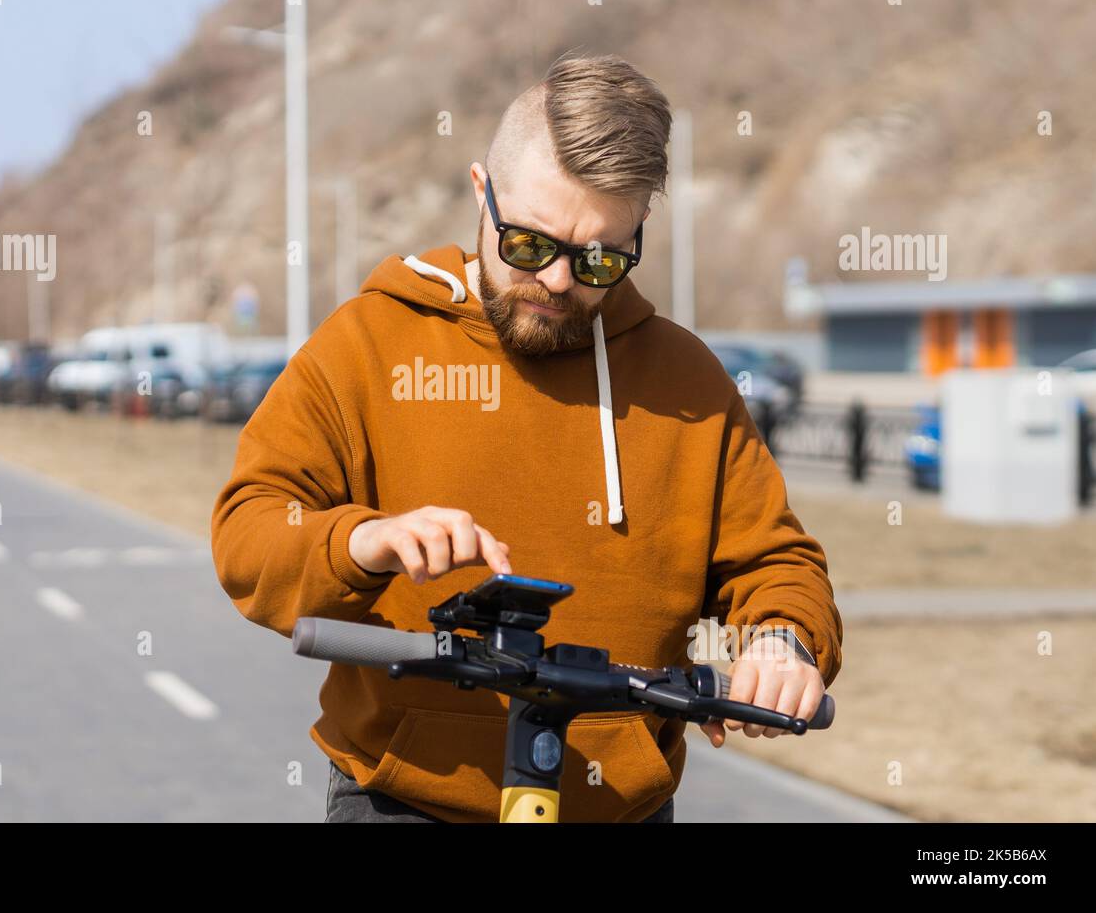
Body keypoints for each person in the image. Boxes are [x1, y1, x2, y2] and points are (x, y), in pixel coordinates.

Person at [212, 53, 843, 823]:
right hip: (405, 803)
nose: (556, 281)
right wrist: (363, 542)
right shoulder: (367, 343)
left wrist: (782, 643)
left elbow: (775, 560)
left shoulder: (688, 382)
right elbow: (248, 533)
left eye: (600, 258)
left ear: (639, 233)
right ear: (482, 192)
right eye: (530, 245)